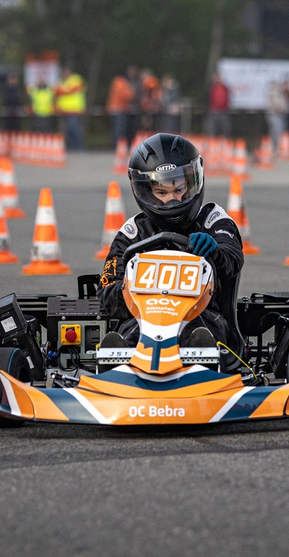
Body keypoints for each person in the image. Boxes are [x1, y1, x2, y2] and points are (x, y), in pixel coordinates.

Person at [97, 133, 244, 370]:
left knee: (200, 333)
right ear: (146, 192)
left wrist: (215, 252)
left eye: (179, 189)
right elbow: (106, 289)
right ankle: (118, 364)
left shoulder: (212, 220)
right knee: (130, 334)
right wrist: (131, 289)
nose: (173, 200)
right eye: (162, 193)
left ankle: (200, 361)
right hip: (142, 319)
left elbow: (233, 258)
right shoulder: (133, 233)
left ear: (192, 182)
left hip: (202, 315)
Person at [54, 66, 86, 150]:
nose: (65, 74)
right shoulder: (60, 81)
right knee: (67, 130)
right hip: (64, 111)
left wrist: (61, 91)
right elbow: (56, 92)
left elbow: (70, 90)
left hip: (74, 109)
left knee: (73, 128)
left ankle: (80, 146)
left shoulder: (76, 79)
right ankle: (71, 147)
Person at [106, 67, 136, 147]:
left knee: (117, 129)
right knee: (119, 129)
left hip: (116, 108)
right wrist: (132, 92)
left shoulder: (117, 81)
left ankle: (117, 145)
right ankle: (117, 146)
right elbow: (126, 95)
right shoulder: (121, 82)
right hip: (119, 109)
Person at [265, 80, 289, 148]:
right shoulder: (273, 93)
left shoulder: (281, 93)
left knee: (279, 131)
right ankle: (275, 145)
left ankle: (276, 145)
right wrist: (281, 108)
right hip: (275, 115)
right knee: (276, 131)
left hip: (280, 115)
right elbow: (276, 105)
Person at [206, 72, 230, 137]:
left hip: (223, 110)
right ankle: (212, 140)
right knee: (212, 129)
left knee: (225, 128)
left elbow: (227, 98)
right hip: (214, 110)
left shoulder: (224, 87)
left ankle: (225, 139)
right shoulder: (211, 87)